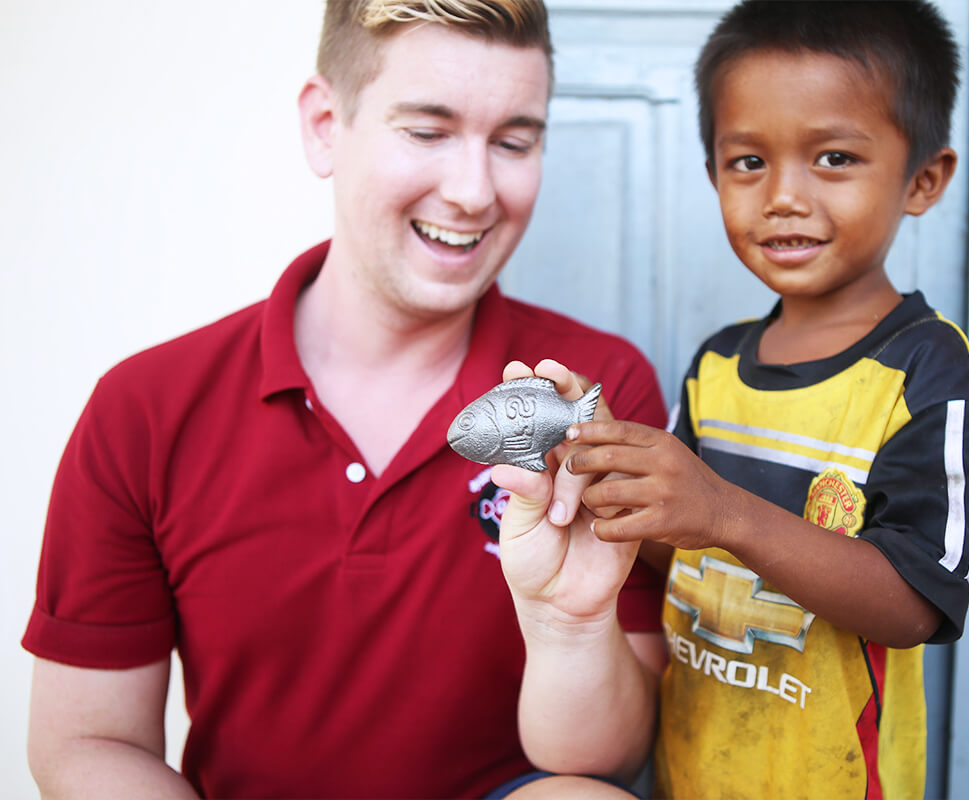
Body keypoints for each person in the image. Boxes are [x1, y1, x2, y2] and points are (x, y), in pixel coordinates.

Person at [21, 2, 668, 798]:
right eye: (428, 132)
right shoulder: (145, 409)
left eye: (514, 141)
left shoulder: (596, 390)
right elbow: (86, 741)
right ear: (327, 125)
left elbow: (607, 761)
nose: (472, 191)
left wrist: (568, 627)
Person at [492, 1, 969, 798]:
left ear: (922, 179)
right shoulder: (717, 364)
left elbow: (914, 606)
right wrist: (600, 455)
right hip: (691, 773)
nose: (783, 196)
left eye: (833, 158)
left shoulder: (923, 368)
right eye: (747, 162)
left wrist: (724, 512)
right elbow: (679, 539)